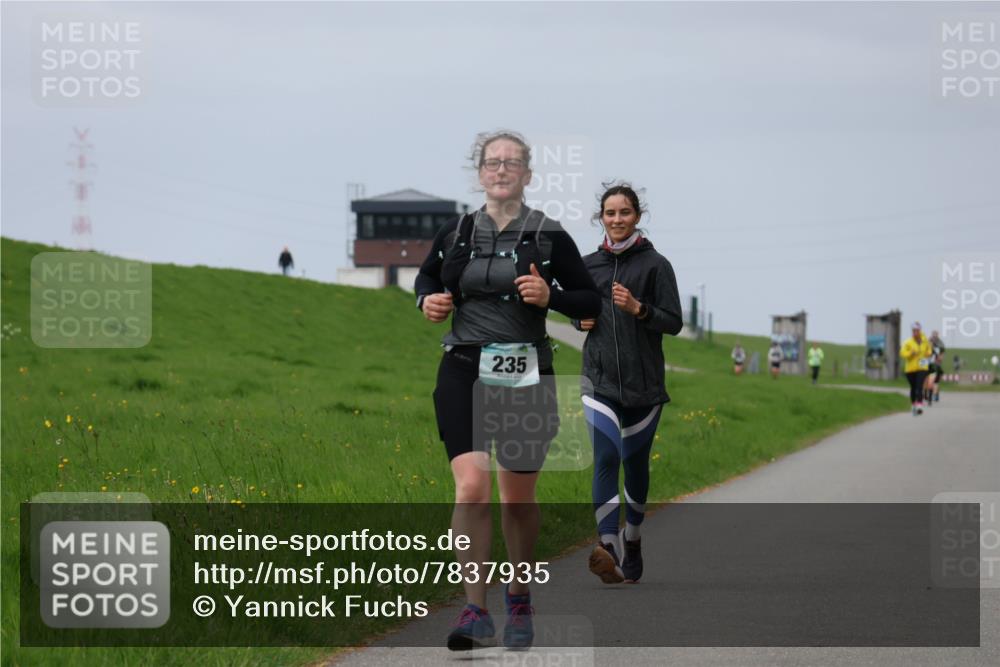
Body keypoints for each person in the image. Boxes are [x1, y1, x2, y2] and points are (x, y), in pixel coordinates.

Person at [415, 130, 601, 650]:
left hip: (524, 372)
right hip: (463, 368)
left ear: (527, 175)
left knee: (516, 497)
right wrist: (427, 301)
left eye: (511, 163)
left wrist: (552, 295)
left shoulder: (549, 236)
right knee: (471, 487)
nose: (501, 170)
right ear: (480, 174)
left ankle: (518, 598)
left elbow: (590, 300)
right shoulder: (454, 232)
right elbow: (426, 279)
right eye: (492, 162)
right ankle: (475, 610)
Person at [572, 182, 683, 585]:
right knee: (605, 459)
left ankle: (632, 537)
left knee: (635, 466)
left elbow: (673, 321)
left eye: (624, 212)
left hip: (644, 386)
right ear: (600, 218)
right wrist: (578, 319)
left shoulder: (656, 265)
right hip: (599, 382)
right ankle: (608, 548)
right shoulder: (586, 266)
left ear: (637, 216)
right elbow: (577, 310)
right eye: (609, 213)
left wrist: (639, 309)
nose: (616, 219)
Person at [900, 321, 933, 416]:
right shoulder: (908, 342)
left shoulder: (925, 341)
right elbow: (902, 353)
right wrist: (910, 353)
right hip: (910, 368)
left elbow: (929, 349)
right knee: (913, 388)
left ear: (920, 330)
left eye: (917, 331)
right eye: (914, 331)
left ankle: (919, 405)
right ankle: (913, 405)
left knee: (919, 386)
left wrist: (928, 353)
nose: (915, 333)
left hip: (922, 367)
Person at [925, 330, 945, 403]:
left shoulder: (939, 345)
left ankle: (935, 395)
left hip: (935, 365)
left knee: (935, 382)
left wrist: (937, 360)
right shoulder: (928, 343)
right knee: (930, 381)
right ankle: (931, 394)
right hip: (929, 365)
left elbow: (941, 357)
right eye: (933, 335)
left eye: (935, 335)